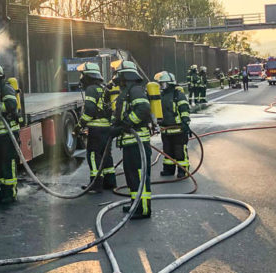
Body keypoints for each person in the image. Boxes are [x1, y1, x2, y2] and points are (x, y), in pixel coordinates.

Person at [111, 61, 152, 219]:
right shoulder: (128, 91)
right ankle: (137, 205)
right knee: (132, 177)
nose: (117, 79)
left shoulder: (135, 90)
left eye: (119, 76)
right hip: (131, 143)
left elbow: (143, 109)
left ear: (125, 76)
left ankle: (143, 208)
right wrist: (115, 128)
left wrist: (126, 124)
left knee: (139, 176)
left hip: (138, 143)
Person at [74, 63, 116, 193]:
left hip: (96, 129)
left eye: (83, 75)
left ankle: (96, 184)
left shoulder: (91, 89)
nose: (81, 78)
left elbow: (90, 110)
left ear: (88, 76)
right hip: (106, 128)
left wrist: (79, 125)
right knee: (106, 155)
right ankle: (110, 182)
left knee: (93, 155)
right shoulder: (103, 88)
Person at [0, 64, 21, 204]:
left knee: (9, 164)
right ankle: (4, 191)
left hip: (8, 135)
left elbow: (11, 105)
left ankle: (11, 193)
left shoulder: (5, 87)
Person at [154, 72, 192, 178]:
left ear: (170, 83)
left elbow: (184, 109)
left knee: (179, 151)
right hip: (165, 130)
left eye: (163, 84)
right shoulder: (161, 96)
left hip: (178, 130)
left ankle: (182, 170)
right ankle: (168, 170)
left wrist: (185, 122)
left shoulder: (178, 95)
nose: (161, 86)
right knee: (167, 152)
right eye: (160, 84)